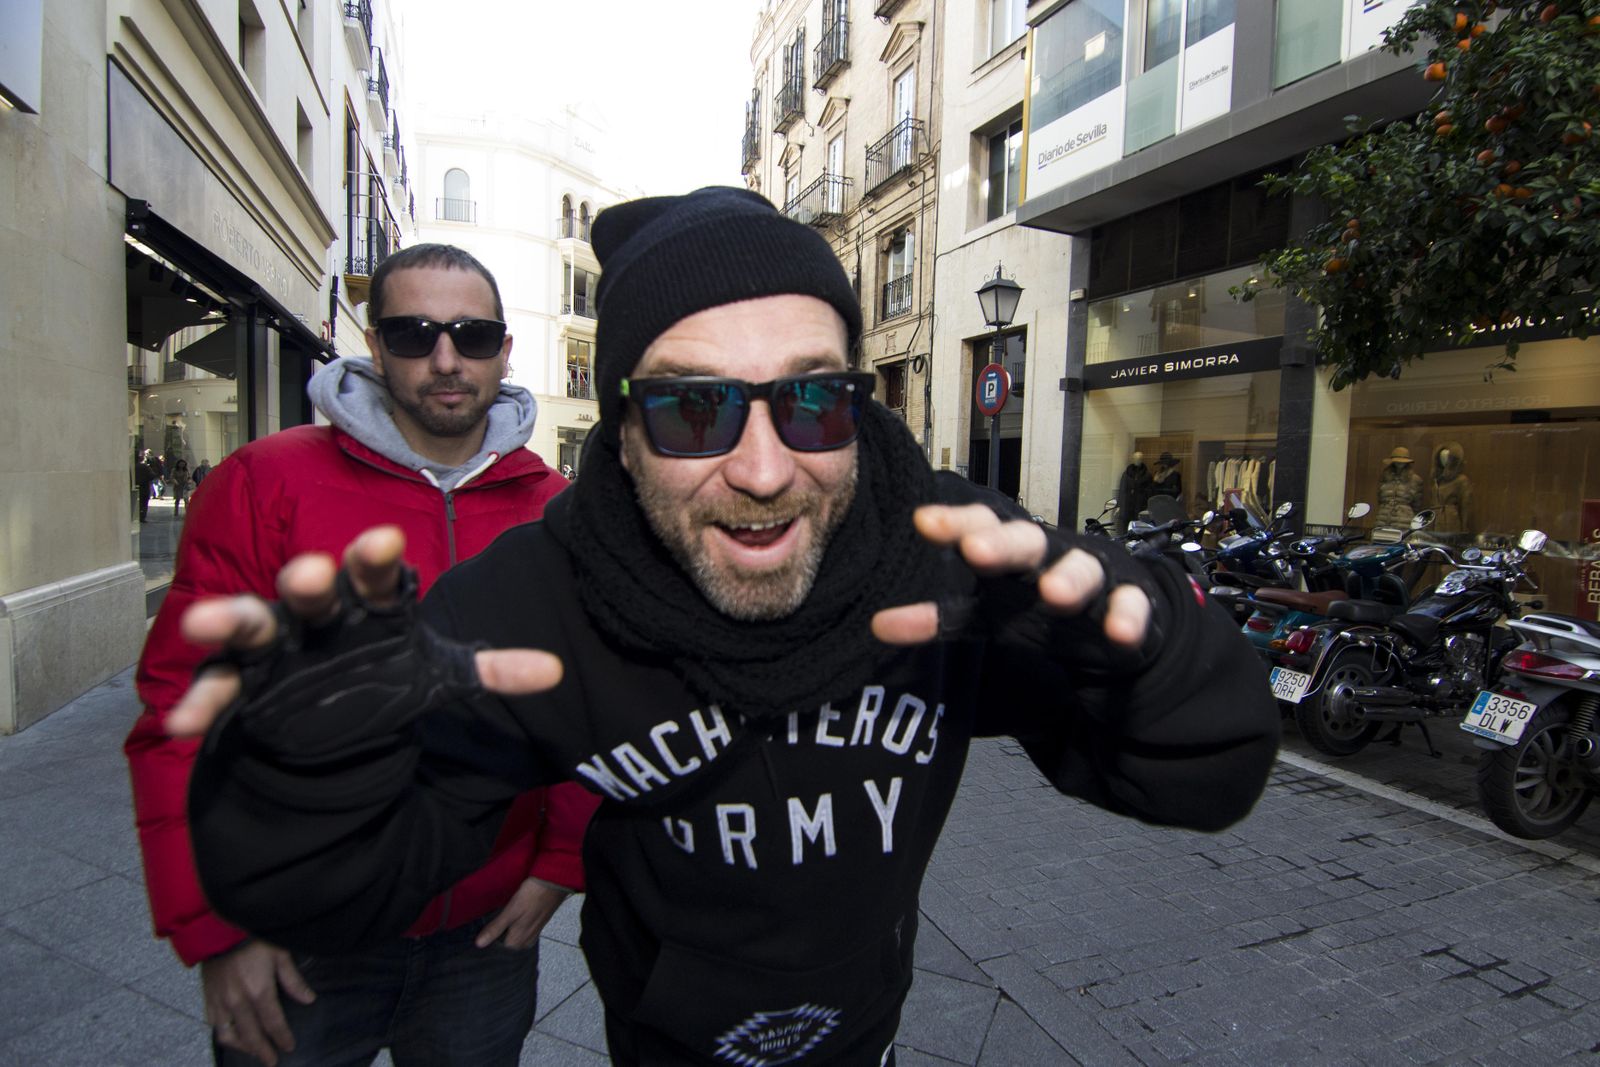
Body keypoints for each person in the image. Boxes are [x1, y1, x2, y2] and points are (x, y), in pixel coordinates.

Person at [168, 189, 1280, 1067]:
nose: (761, 469)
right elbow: (346, 876)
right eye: (692, 406)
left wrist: (1155, 664)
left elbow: (1204, 776)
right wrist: (295, 777)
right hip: (661, 1036)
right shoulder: (538, 598)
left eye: (811, 400)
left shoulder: (951, 552)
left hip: (865, 1030)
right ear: (625, 429)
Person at [125, 242, 599, 1067]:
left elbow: (584, 699)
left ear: (503, 349)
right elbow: (183, 705)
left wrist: (559, 861)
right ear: (375, 346)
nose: (446, 359)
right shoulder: (262, 483)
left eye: (473, 335)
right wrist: (217, 926)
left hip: (482, 938)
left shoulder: (557, 511)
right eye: (415, 334)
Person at [135, 448, 156, 523]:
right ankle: (142, 517)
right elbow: (152, 475)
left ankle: (137, 516)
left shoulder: (132, 467)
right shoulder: (144, 467)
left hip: (135, 487)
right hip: (144, 487)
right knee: (144, 503)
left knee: (138, 503)